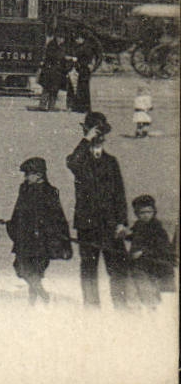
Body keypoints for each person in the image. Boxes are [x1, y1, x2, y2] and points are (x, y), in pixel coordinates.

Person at [66, 111, 129, 307]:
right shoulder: (79, 160)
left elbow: (119, 194)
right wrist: (85, 140)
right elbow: (73, 162)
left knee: (117, 268)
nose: (98, 138)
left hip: (110, 224)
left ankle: (121, 307)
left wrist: (121, 223)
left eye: (101, 135)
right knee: (89, 269)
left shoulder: (111, 162)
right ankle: (91, 308)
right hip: (88, 224)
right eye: (95, 134)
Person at [7, 156, 74, 305]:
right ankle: (43, 296)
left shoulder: (50, 192)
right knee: (21, 268)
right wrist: (12, 226)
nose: (25, 177)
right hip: (25, 239)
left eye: (28, 174)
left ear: (39, 175)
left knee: (35, 272)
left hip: (42, 241)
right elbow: (17, 211)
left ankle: (35, 302)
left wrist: (61, 240)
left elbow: (58, 217)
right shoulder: (24, 189)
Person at [124, 196, 173, 308]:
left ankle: (151, 310)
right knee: (134, 288)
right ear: (137, 214)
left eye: (149, 212)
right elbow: (134, 236)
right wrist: (126, 236)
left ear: (153, 212)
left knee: (148, 290)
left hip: (151, 265)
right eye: (142, 213)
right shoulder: (138, 226)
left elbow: (162, 247)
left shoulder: (157, 228)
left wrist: (143, 252)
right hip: (137, 264)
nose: (146, 215)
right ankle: (136, 311)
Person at [36, 34, 69, 112]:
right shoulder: (52, 45)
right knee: (47, 88)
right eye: (61, 38)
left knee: (55, 89)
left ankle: (51, 106)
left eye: (63, 38)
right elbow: (54, 56)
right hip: (50, 69)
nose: (62, 40)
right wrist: (64, 57)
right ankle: (43, 105)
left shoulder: (63, 46)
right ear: (57, 38)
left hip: (58, 71)